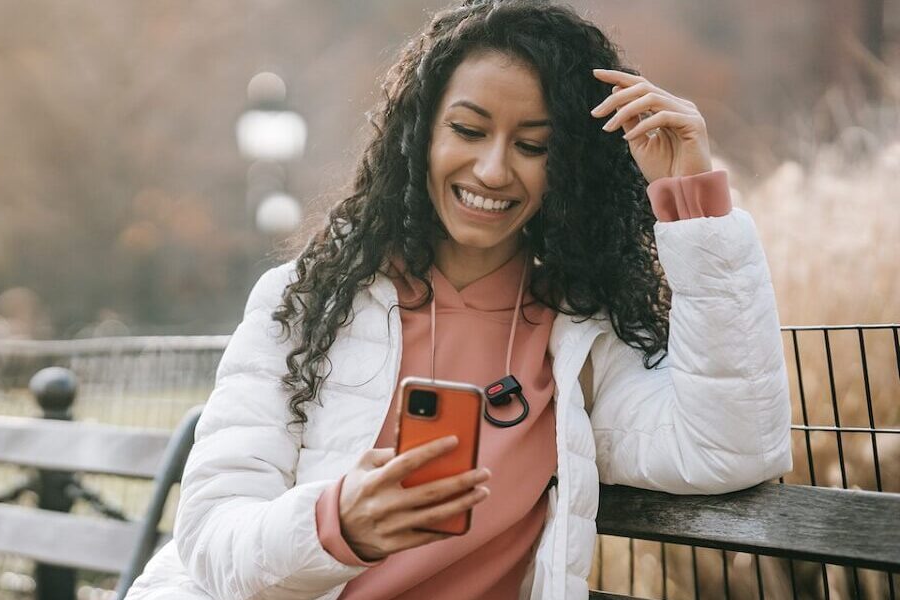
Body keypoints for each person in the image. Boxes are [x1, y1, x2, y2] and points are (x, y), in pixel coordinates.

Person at [128, 0, 792, 598]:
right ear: (420, 138)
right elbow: (214, 532)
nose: (494, 170)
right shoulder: (306, 302)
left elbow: (728, 449)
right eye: (469, 131)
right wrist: (336, 523)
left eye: (532, 145)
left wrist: (693, 202)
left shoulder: (579, 339)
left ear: (566, 168)